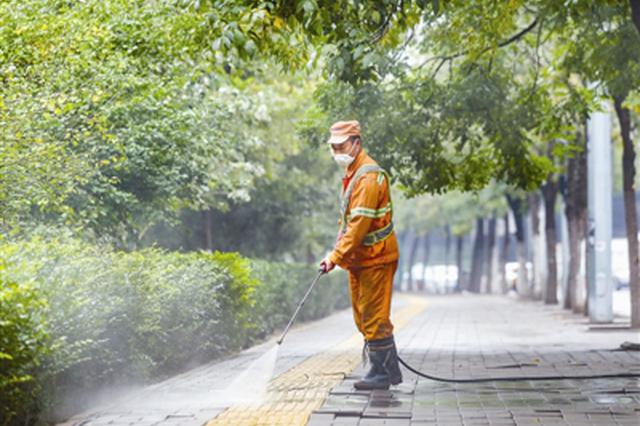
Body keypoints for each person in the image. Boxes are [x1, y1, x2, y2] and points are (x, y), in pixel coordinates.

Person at [319, 120, 402, 390]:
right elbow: (348, 223)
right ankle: (389, 370)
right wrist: (336, 249)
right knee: (364, 316)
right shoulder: (354, 172)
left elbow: (358, 228)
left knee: (374, 316)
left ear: (356, 143)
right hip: (361, 259)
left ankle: (380, 374)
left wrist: (335, 257)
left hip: (376, 258)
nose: (336, 151)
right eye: (333, 147)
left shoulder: (367, 177)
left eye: (341, 146)